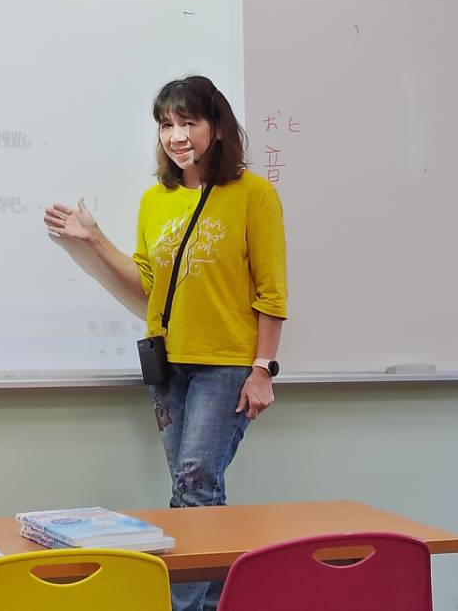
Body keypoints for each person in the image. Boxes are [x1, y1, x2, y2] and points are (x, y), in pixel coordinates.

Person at [43, 75, 288, 611]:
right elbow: (149, 288)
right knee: (195, 489)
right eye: (166, 125)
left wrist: (263, 369)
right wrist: (93, 240)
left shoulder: (254, 195)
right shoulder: (156, 200)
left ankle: (177, 605)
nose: (176, 136)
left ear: (217, 127)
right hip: (168, 364)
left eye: (188, 123)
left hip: (226, 365)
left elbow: (271, 290)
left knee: (194, 487)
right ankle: (215, 603)